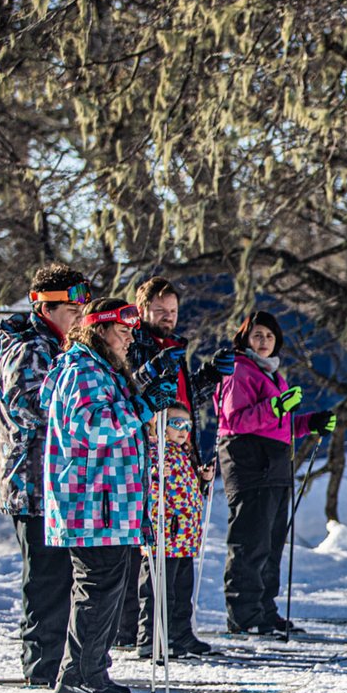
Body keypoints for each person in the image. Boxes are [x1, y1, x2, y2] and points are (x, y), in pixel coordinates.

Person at [40, 298, 181, 693]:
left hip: (112, 501)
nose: (129, 337)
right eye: (122, 330)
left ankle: (90, 670)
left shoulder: (102, 370)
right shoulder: (82, 370)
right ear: (100, 330)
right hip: (92, 501)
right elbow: (94, 427)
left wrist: (146, 385)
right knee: (97, 587)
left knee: (107, 588)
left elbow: (117, 414)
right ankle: (80, 675)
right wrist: (145, 404)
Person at [113, 274, 234, 648]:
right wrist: (156, 369)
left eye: (173, 310)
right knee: (155, 554)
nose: (168, 316)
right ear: (142, 308)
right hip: (151, 456)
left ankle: (179, 630)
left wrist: (209, 376)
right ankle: (147, 632)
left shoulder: (173, 346)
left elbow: (181, 401)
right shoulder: (134, 346)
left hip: (182, 454)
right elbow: (135, 390)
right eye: (160, 310)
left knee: (182, 548)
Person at [0, 263, 91, 688]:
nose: (79, 314)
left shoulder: (63, 348)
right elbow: (28, 407)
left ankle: (57, 662)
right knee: (46, 581)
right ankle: (41, 665)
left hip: (57, 484)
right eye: (72, 307)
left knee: (63, 578)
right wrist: (80, 411)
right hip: (32, 484)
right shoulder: (32, 350)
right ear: (45, 307)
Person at [216, 310, 337, 635]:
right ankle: (243, 613)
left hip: (276, 462)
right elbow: (236, 420)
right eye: (258, 335)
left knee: (271, 542)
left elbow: (277, 424)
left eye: (269, 336)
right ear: (245, 338)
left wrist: (308, 423)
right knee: (250, 541)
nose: (264, 341)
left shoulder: (271, 374)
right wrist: (276, 407)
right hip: (248, 461)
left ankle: (265, 609)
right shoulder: (240, 370)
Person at [136, 403, 216, 659]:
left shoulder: (183, 453)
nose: (183, 431)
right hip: (164, 536)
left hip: (184, 536)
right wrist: (155, 474)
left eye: (187, 426)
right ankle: (151, 637)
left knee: (182, 590)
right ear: (160, 426)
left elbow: (187, 494)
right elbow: (145, 487)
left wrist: (202, 481)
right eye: (176, 424)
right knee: (159, 591)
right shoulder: (154, 451)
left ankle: (180, 633)